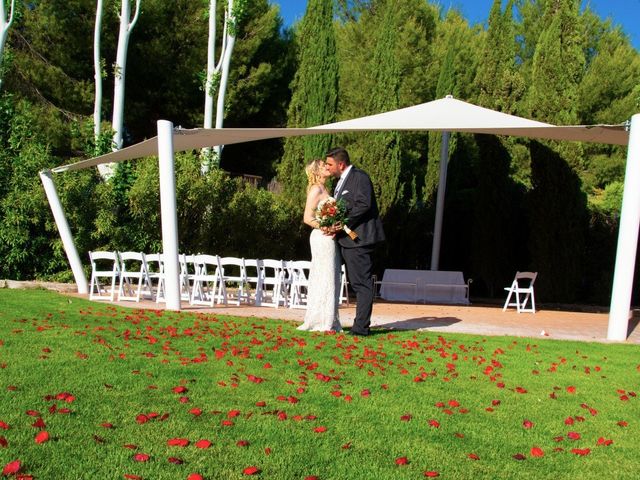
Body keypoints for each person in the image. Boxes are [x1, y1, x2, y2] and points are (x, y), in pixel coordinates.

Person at [325, 147, 385, 336]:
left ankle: (361, 328)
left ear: (341, 164)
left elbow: (363, 205)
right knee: (356, 283)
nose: (327, 167)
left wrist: (341, 223)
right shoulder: (339, 182)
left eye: (330, 164)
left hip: (359, 239)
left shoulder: (360, 177)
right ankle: (359, 325)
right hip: (348, 240)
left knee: (361, 284)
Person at [296, 159, 342, 332]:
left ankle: (328, 318)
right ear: (316, 172)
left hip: (330, 237)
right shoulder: (316, 189)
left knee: (330, 275)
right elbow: (307, 217)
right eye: (323, 166)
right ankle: (320, 320)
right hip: (321, 237)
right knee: (324, 275)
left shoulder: (326, 189)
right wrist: (326, 226)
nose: (327, 167)